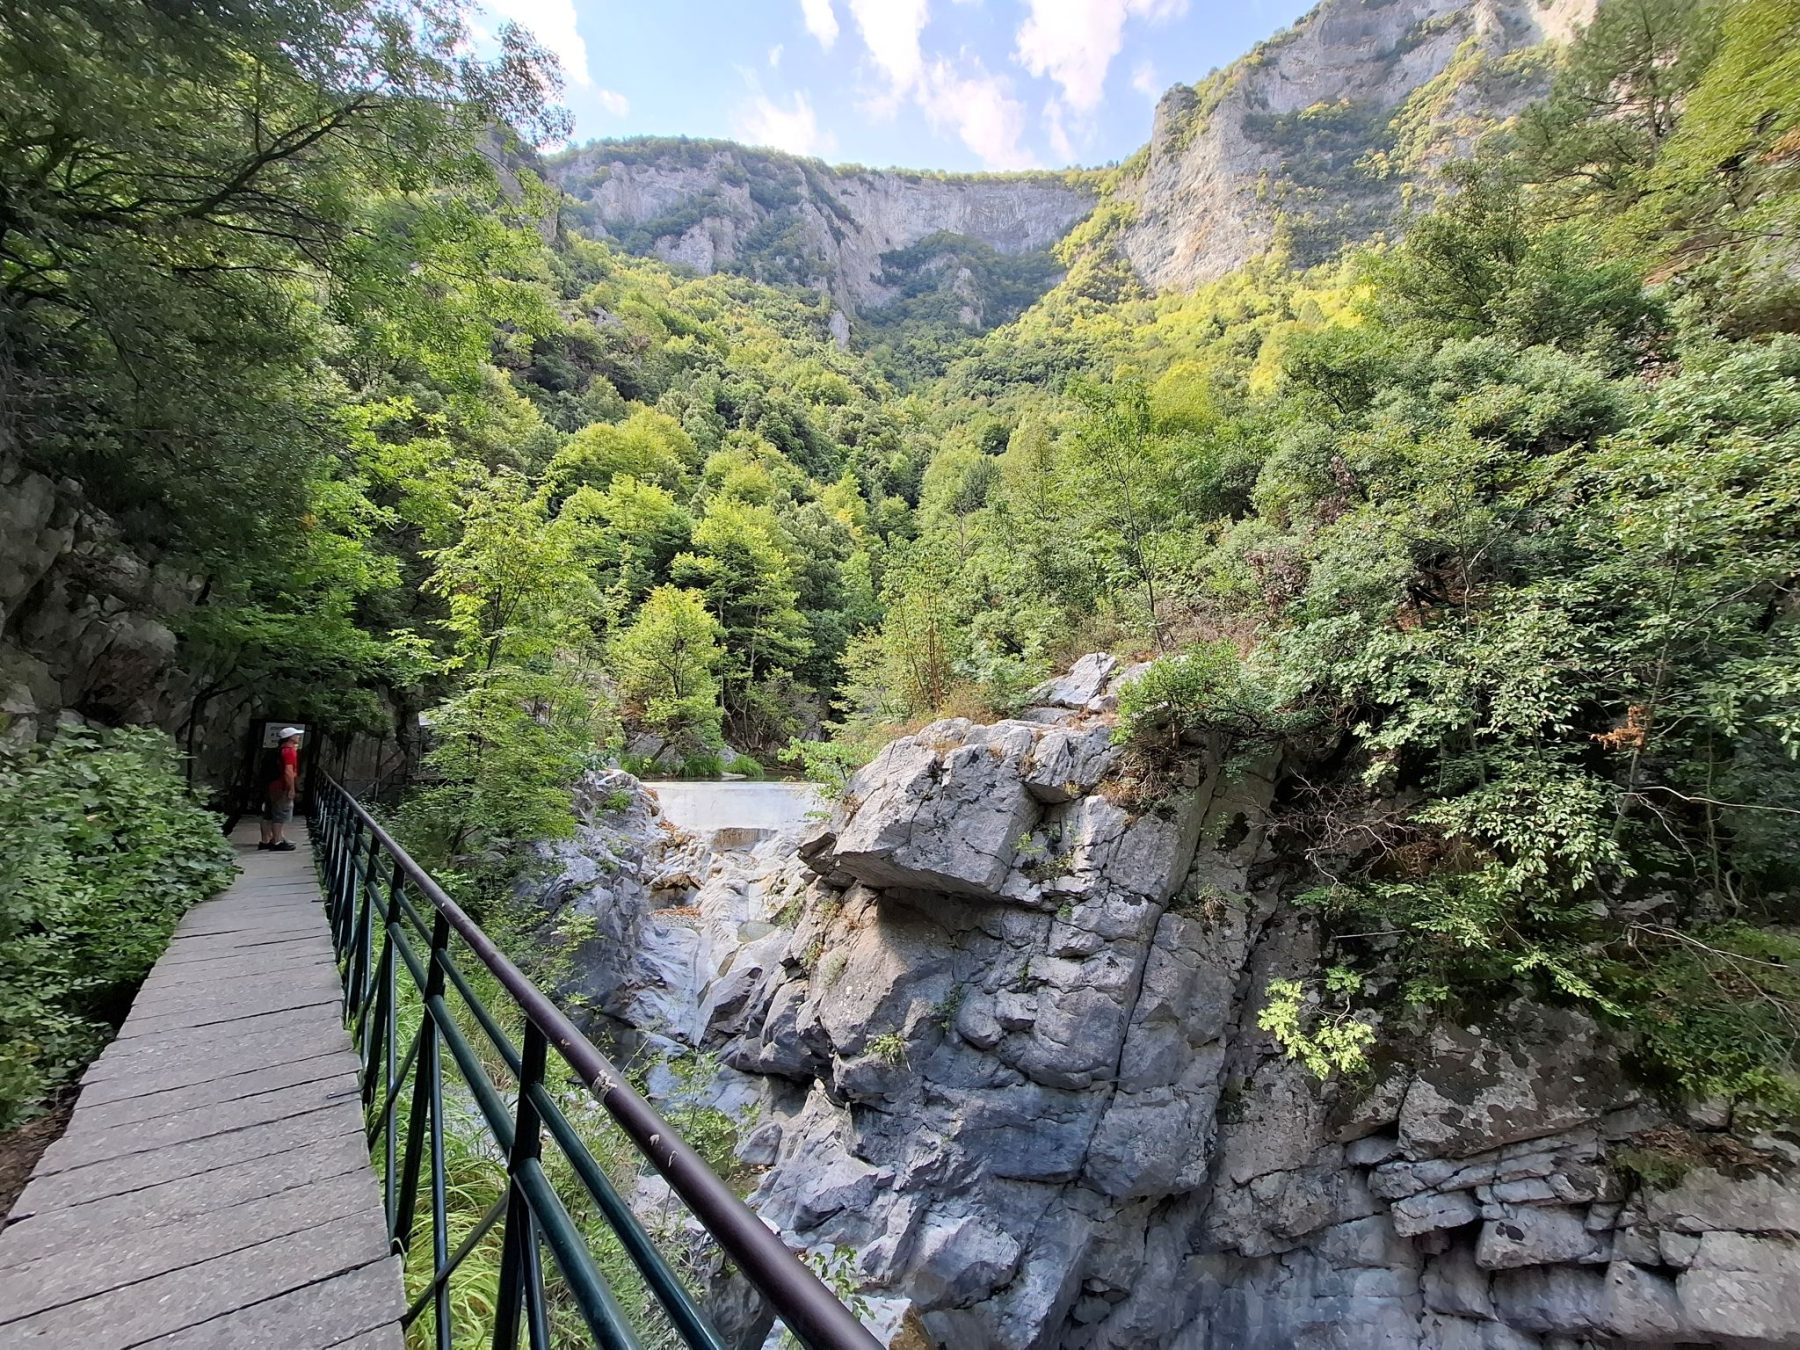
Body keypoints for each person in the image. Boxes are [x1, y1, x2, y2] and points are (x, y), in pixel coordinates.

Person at [258, 726, 303, 851]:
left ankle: (265, 840)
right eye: (296, 735)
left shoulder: (279, 750)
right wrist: (291, 789)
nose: (298, 736)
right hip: (281, 787)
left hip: (271, 785)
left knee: (268, 814)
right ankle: (277, 842)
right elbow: (288, 772)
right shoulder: (289, 751)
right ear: (290, 738)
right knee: (280, 814)